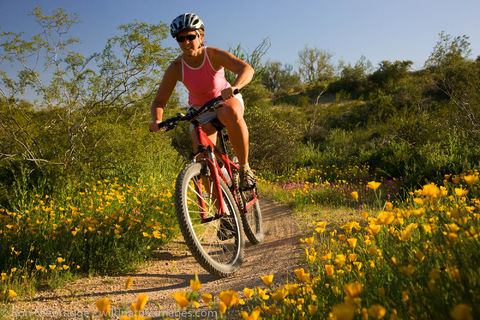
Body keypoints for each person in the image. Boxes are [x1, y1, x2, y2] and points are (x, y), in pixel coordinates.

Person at [149, 13, 256, 190]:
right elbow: (159, 101)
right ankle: (223, 215)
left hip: (225, 100)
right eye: (180, 39)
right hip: (201, 111)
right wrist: (157, 121)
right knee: (203, 162)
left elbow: (247, 69)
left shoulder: (212, 55)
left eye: (190, 37)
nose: (186, 42)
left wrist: (235, 87)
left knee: (230, 112)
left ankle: (245, 169)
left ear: (201, 36)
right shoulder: (176, 68)